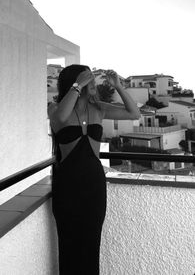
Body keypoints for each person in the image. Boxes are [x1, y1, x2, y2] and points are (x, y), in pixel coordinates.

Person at [48, 64, 140, 275]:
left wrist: (118, 86)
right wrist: (77, 85)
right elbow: (60, 119)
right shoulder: (55, 108)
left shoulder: (99, 108)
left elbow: (134, 113)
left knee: (91, 242)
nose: (93, 83)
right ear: (75, 81)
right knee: (69, 242)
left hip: (94, 186)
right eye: (87, 78)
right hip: (67, 187)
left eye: (91, 79)